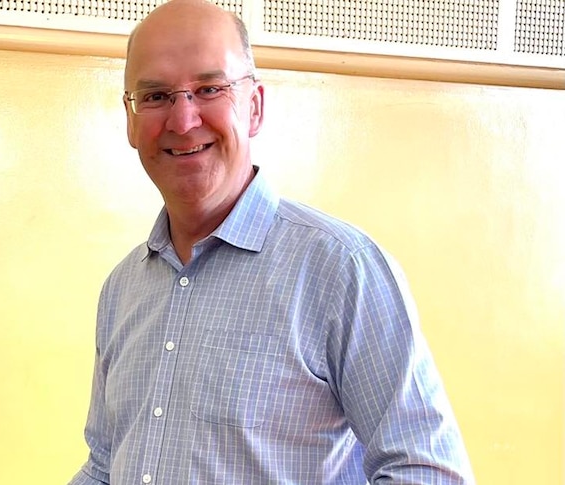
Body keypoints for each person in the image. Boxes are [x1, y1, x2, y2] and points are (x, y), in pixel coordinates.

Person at [69, 0, 475, 483]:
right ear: (131, 121)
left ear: (254, 106)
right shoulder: (122, 288)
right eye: (156, 96)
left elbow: (427, 470)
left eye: (210, 88)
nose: (182, 120)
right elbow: (104, 463)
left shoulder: (342, 269)